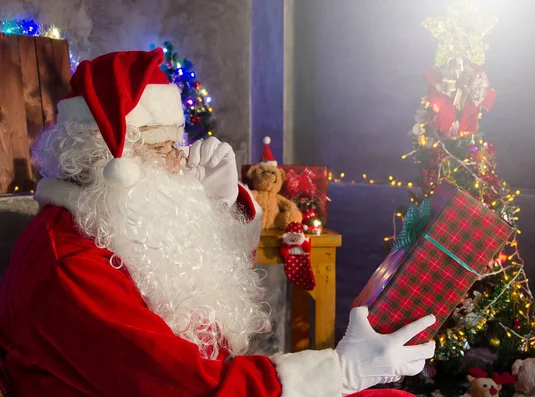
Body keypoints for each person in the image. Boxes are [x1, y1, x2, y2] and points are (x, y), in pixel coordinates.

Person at [0, 48, 436, 397]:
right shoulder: (71, 264)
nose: (180, 162)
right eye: (163, 148)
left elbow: (189, 288)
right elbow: (184, 386)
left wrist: (220, 206)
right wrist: (341, 373)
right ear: (112, 161)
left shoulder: (108, 220)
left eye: (179, 144)